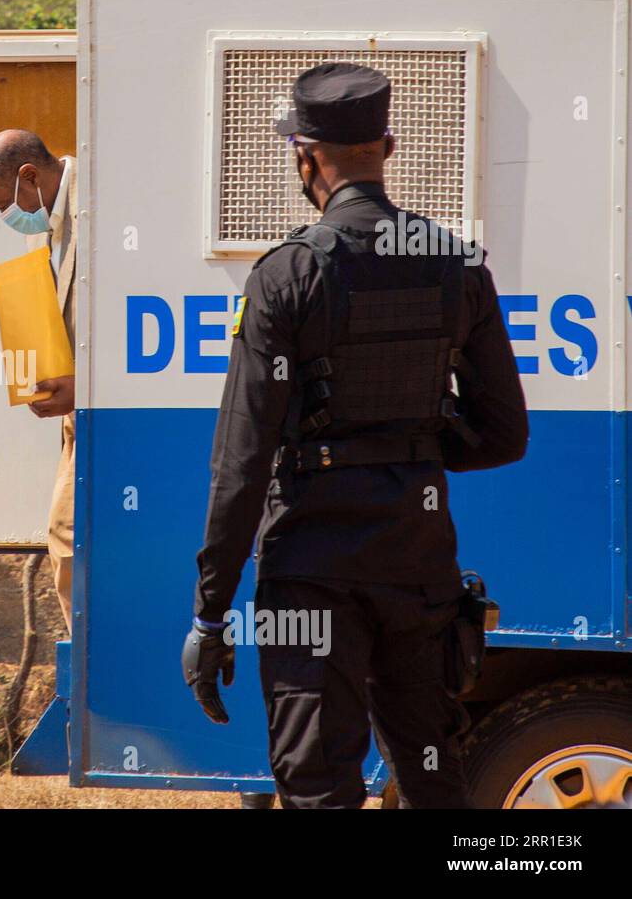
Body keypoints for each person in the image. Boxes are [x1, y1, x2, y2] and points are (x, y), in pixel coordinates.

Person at [181, 63, 529, 809]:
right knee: (435, 780)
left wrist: (211, 613)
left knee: (318, 787)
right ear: (389, 145)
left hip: (311, 565)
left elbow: (241, 464)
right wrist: (415, 448)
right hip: (417, 562)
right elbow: (503, 435)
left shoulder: (286, 275)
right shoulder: (457, 266)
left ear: (304, 158)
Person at [0, 130, 78, 631]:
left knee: (67, 535)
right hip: (79, 417)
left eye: (2, 204)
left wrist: (87, 388)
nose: (5, 218)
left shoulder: (101, 207)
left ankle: (91, 668)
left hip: (107, 410)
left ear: (29, 176)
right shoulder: (50, 226)